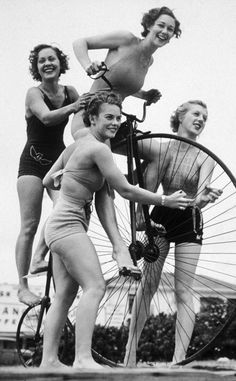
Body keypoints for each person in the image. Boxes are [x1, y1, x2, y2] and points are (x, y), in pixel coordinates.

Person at [40, 92, 191, 369]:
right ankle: (83, 358)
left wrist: (72, 184)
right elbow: (124, 190)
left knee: (64, 294)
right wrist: (164, 200)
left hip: (58, 224)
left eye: (118, 118)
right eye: (109, 117)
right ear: (92, 118)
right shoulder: (99, 150)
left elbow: (49, 179)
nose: (115, 123)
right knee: (95, 286)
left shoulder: (77, 146)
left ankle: (48, 360)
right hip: (69, 226)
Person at [124, 100, 223, 367]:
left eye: (205, 116)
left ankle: (178, 361)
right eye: (196, 113)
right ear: (179, 117)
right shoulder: (162, 150)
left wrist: (205, 197)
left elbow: (201, 194)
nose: (201, 118)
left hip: (188, 216)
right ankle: (129, 354)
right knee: (148, 284)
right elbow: (126, 147)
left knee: (183, 289)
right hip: (162, 212)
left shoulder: (205, 157)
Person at [71, 6, 182, 192]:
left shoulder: (149, 61)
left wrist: (144, 95)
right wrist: (88, 65)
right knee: (103, 183)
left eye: (170, 29)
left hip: (113, 122)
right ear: (149, 25)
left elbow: (121, 85)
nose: (164, 32)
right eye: (161, 25)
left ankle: (141, 218)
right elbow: (80, 42)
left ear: (172, 37)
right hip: (91, 117)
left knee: (161, 153)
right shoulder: (126, 40)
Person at [15, 44, 85, 306]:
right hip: (32, 162)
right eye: (42, 60)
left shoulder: (70, 92)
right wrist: (77, 105)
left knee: (64, 208)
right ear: (37, 67)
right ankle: (22, 287)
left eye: (51, 59)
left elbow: (83, 120)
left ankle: (41, 260)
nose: (47, 63)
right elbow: (45, 118)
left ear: (60, 63)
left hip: (58, 159)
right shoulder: (34, 92)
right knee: (29, 225)